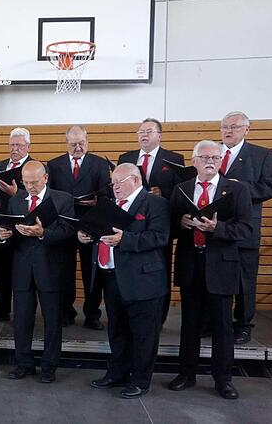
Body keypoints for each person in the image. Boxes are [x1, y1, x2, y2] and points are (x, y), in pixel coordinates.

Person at [167, 140, 252, 400]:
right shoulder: (181, 190)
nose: (210, 162)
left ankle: (223, 379)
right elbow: (167, 229)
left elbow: (248, 230)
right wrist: (179, 223)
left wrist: (218, 229)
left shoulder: (236, 190)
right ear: (194, 162)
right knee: (189, 324)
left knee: (222, 327)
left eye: (215, 157)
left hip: (221, 267)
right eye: (204, 157)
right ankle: (186, 374)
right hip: (191, 264)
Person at [82, 164, 170, 399]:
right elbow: (99, 233)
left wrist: (126, 240)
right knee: (117, 330)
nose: (115, 188)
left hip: (144, 280)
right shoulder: (110, 206)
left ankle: (140, 380)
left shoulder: (155, 204)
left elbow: (160, 237)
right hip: (112, 277)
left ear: (135, 180)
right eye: (113, 184)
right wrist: (86, 235)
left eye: (119, 183)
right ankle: (117, 373)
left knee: (144, 334)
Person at [0, 161, 74, 383]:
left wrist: (42, 233)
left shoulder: (62, 199)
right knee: (21, 319)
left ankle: (49, 367)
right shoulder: (15, 200)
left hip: (51, 269)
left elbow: (68, 231)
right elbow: (8, 231)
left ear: (45, 178)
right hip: (22, 269)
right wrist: (3, 237)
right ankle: (23, 363)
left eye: (34, 182)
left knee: (52, 320)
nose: (29, 186)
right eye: (26, 182)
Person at [218, 111, 272, 344]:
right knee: (214, 278)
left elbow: (271, 188)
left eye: (233, 126)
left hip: (244, 229)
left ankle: (243, 325)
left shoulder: (261, 154)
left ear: (247, 129)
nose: (228, 131)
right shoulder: (211, 152)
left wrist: (240, 188)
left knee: (245, 281)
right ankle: (213, 322)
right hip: (215, 227)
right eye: (224, 126)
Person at [118, 118, 184, 323]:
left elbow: (180, 193)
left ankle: (159, 314)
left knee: (158, 267)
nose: (144, 135)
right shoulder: (126, 157)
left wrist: (163, 192)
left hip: (158, 222)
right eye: (140, 132)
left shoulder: (173, 158)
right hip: (129, 222)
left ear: (159, 135)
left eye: (149, 131)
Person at [47, 125, 111, 330]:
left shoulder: (100, 164)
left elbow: (108, 196)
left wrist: (96, 202)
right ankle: (66, 312)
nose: (78, 148)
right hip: (64, 224)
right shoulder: (54, 165)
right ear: (66, 143)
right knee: (63, 271)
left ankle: (92, 314)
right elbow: (49, 196)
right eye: (73, 144)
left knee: (91, 272)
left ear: (87, 141)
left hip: (91, 225)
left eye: (81, 143)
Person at [0, 127, 33, 322]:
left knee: (23, 270)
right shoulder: (0, 165)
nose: (14, 149)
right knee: (1, 268)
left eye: (19, 145)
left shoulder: (35, 167)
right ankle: (1, 308)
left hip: (25, 224)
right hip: (2, 222)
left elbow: (41, 197)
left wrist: (17, 194)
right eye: (12, 145)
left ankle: (24, 312)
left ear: (28, 146)